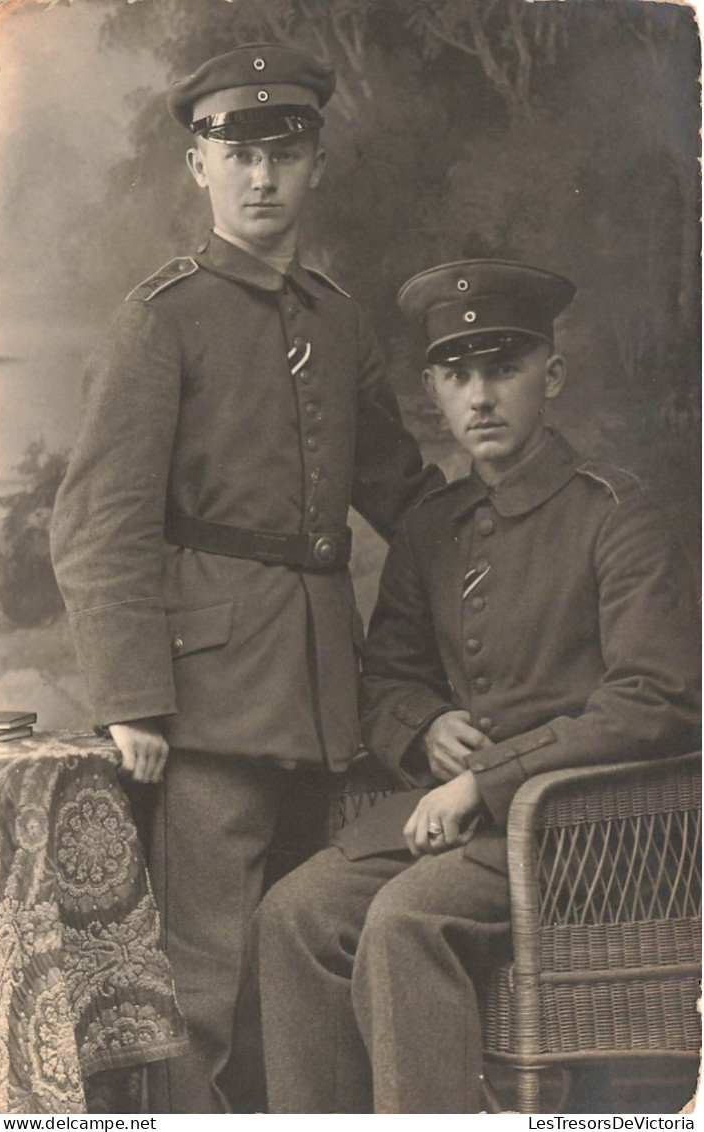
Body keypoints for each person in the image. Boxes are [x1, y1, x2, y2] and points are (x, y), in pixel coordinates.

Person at [49, 43, 442, 1114]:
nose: (262, 178)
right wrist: (133, 695)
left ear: (316, 164)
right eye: (238, 154)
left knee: (297, 971)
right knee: (202, 979)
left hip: (324, 697)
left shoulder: (339, 318)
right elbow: (99, 522)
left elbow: (402, 498)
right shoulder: (160, 318)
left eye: (286, 151)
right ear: (198, 168)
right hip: (208, 701)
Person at [250, 259, 701, 1113]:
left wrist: (482, 781)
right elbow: (385, 676)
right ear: (432, 390)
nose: (481, 396)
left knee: (404, 922)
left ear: (551, 375)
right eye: (457, 375)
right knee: (294, 916)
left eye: (503, 368)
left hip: (585, 831)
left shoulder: (615, 514)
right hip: (461, 828)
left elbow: (657, 698)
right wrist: (422, 729)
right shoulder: (432, 529)